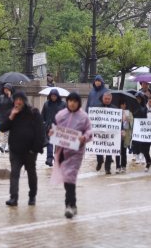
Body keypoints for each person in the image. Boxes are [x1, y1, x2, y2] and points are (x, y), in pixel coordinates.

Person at [50, 91, 93, 219]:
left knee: (70, 176)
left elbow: (89, 131)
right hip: (63, 151)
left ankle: (68, 205)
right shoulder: (61, 115)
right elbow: (55, 128)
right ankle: (73, 204)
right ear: (67, 102)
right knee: (66, 178)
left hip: (76, 152)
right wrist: (52, 132)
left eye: (75, 101)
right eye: (70, 101)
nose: (72, 104)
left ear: (78, 103)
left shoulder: (83, 117)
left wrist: (84, 138)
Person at [0, 91, 46, 207]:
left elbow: (40, 132)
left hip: (30, 151)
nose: (18, 102)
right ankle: (13, 197)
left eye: (21, 100)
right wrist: (11, 116)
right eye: (16, 100)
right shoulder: (11, 113)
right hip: (15, 151)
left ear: (24, 101)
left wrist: (35, 149)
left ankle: (32, 196)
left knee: (31, 173)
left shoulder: (33, 113)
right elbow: (3, 128)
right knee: (14, 173)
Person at [42, 89, 65, 167]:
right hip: (49, 127)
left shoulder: (63, 104)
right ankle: (49, 159)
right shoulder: (46, 104)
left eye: (55, 96)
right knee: (49, 143)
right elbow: (43, 116)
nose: (53, 97)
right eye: (52, 96)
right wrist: (44, 123)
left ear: (57, 96)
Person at [95, 91, 116, 174]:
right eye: (105, 99)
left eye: (108, 99)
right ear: (102, 99)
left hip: (110, 133)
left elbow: (118, 122)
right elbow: (93, 120)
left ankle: (108, 168)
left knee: (109, 150)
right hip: (99, 132)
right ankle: (100, 161)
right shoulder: (97, 109)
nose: (107, 100)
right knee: (98, 149)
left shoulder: (115, 109)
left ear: (111, 99)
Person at [0, 83, 15, 153]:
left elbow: (15, 105)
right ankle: (9, 147)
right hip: (2, 117)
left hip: (10, 118)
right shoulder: (1, 97)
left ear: (10, 90)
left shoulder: (13, 97)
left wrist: (10, 97)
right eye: (5, 89)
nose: (6, 90)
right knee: (8, 134)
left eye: (7, 89)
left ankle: (3, 147)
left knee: (7, 133)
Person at [117, 98, 133, 173]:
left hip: (126, 134)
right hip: (117, 134)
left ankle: (123, 166)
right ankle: (117, 166)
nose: (124, 105)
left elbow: (132, 123)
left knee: (124, 151)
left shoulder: (129, 113)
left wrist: (127, 119)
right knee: (117, 151)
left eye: (125, 104)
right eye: (122, 104)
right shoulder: (115, 112)